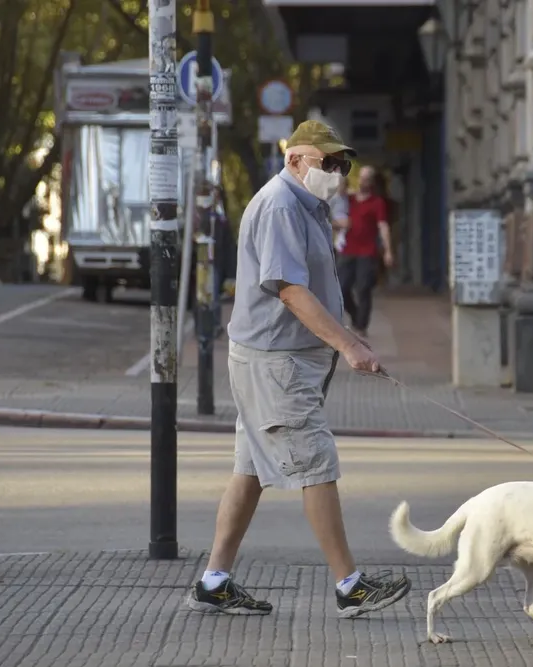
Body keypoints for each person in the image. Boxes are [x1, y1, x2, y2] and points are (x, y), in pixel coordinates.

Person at [186, 120, 411, 618]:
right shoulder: (281, 205)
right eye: (327, 163)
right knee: (316, 462)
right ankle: (349, 586)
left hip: (277, 359)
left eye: (342, 165)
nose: (336, 172)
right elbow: (288, 289)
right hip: (275, 362)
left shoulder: (307, 206)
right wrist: (349, 345)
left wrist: (347, 337)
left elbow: (312, 286)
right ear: (295, 160)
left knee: (250, 468)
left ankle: (213, 579)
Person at [336, 165, 393, 337]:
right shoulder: (349, 199)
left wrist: (388, 250)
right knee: (342, 288)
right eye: (361, 177)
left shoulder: (377, 203)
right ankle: (355, 316)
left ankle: (361, 326)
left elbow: (383, 226)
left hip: (367, 252)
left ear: (372, 182)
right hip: (347, 250)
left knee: (363, 288)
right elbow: (336, 195)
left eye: (367, 178)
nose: (363, 181)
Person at [327, 176, 349, 253]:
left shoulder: (348, 197)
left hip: (345, 218)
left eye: (344, 185)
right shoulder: (333, 198)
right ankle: (338, 243)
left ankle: (341, 242)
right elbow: (327, 213)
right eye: (340, 185)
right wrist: (335, 222)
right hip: (335, 218)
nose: (342, 187)